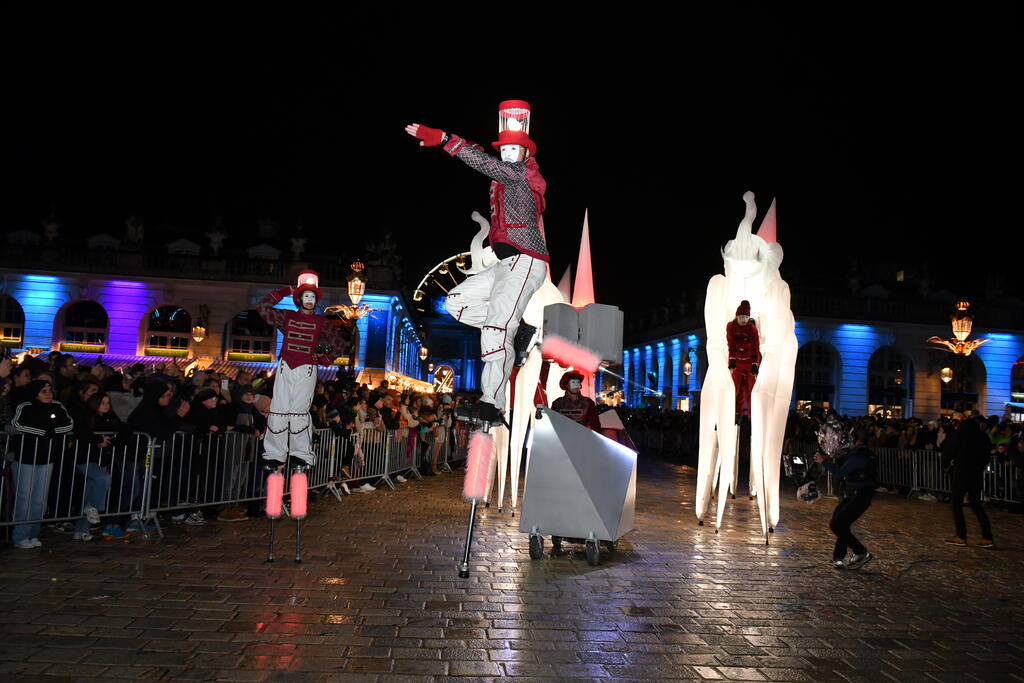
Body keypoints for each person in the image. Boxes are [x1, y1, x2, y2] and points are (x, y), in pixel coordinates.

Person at [405, 100, 549, 426]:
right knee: (456, 302)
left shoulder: (522, 173)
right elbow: (483, 158)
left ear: (526, 153)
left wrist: (447, 140)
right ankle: (517, 330)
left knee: (496, 328)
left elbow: (484, 163)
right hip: (504, 263)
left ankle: (491, 405)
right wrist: (452, 147)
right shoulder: (504, 175)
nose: (508, 154)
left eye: (514, 149)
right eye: (504, 149)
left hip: (526, 259)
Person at [256, 273, 348, 467]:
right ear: (299, 299)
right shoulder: (286, 316)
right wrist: (284, 292)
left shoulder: (322, 322)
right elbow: (263, 308)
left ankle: (301, 454)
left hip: (306, 369)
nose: (309, 300)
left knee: (299, 411)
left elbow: (339, 344)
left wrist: (324, 359)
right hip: (286, 367)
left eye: (312, 297)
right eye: (306, 296)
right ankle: (274, 454)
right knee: (279, 409)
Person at [9, 380, 74, 548]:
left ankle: (33, 533)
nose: (48, 394)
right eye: (43, 391)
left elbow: (69, 424)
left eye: (50, 390)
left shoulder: (57, 406)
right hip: (25, 458)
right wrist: (42, 431)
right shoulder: (26, 406)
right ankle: (20, 536)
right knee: (24, 498)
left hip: (47, 458)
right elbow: (17, 424)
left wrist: (52, 431)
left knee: (40, 500)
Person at [815, 428, 876, 569]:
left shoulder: (859, 456)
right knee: (841, 523)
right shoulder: (859, 453)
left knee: (837, 524)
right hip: (854, 495)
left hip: (859, 496)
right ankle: (838, 557)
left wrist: (823, 462)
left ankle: (861, 552)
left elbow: (840, 472)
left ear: (856, 441)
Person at [941, 416, 994, 547]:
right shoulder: (983, 437)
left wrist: (945, 464)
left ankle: (961, 535)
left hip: (961, 472)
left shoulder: (960, 434)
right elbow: (987, 456)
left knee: (956, 504)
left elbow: (948, 450)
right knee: (976, 504)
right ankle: (987, 536)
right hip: (976, 473)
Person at [727, 300, 760, 421]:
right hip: (737, 361)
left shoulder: (752, 329)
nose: (743, 320)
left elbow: (756, 346)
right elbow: (731, 342)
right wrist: (732, 358)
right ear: (737, 316)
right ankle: (735, 413)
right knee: (735, 388)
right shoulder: (731, 326)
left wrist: (755, 364)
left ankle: (752, 415)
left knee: (752, 389)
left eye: (746, 317)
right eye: (741, 317)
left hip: (749, 361)